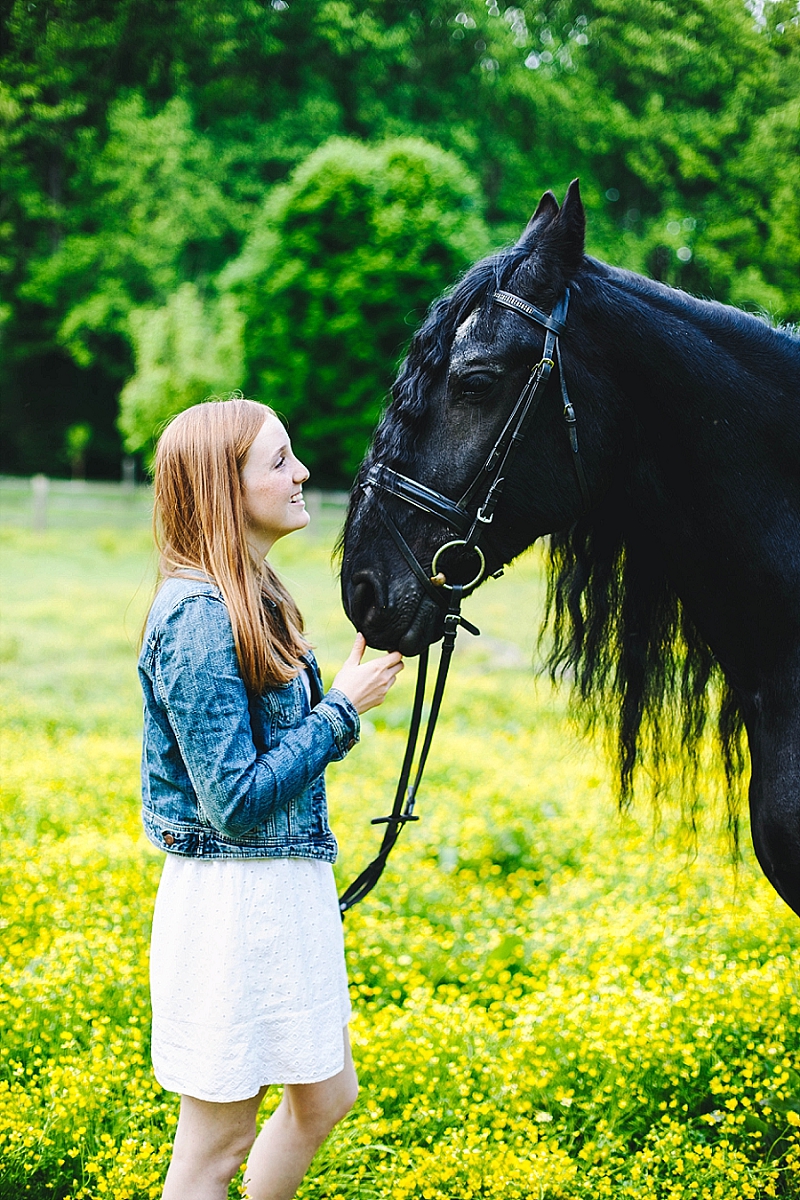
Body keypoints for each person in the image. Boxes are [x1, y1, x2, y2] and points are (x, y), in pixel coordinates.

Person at [137, 397, 403, 1200]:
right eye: (280, 460)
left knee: (326, 1095)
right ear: (226, 486)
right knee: (216, 1144)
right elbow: (235, 799)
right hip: (232, 905)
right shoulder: (196, 618)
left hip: (280, 891)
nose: (303, 474)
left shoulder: (257, 595)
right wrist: (343, 710)